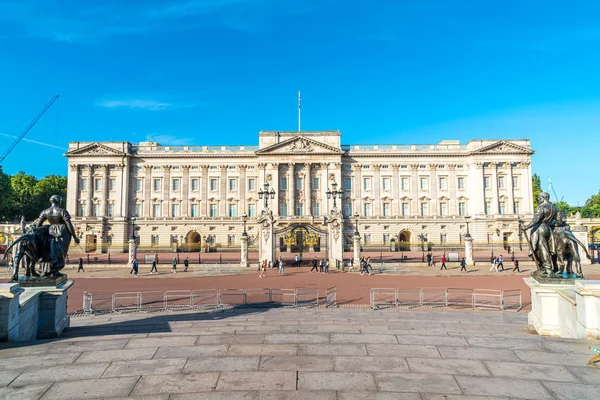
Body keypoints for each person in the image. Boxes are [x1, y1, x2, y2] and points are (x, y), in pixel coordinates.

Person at [520, 191, 559, 274]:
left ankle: (548, 268)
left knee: (542, 248)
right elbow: (559, 221)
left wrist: (526, 227)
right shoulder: (555, 208)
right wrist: (550, 224)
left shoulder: (541, 207)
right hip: (548, 228)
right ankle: (543, 267)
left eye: (539, 197)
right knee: (543, 249)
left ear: (543, 198)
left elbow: (536, 219)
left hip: (539, 228)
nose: (538, 199)